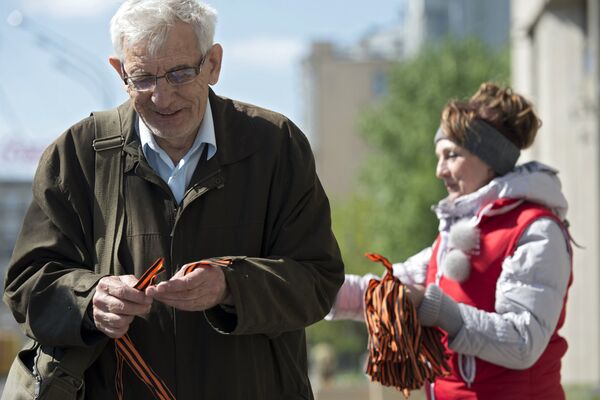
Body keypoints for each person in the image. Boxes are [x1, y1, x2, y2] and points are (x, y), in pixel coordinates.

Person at [3, 0, 344, 399]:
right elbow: (28, 286)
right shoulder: (78, 156)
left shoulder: (275, 146)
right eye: (143, 78)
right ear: (119, 72)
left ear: (213, 64)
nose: (161, 97)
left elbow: (317, 279)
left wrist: (230, 287)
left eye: (180, 74)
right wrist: (90, 298)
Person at [329, 82, 573, 399]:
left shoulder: (537, 230)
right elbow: (380, 290)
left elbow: (522, 342)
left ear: (491, 160)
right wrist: (307, 288)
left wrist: (432, 306)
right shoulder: (453, 235)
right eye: (438, 157)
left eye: (451, 155)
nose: (439, 170)